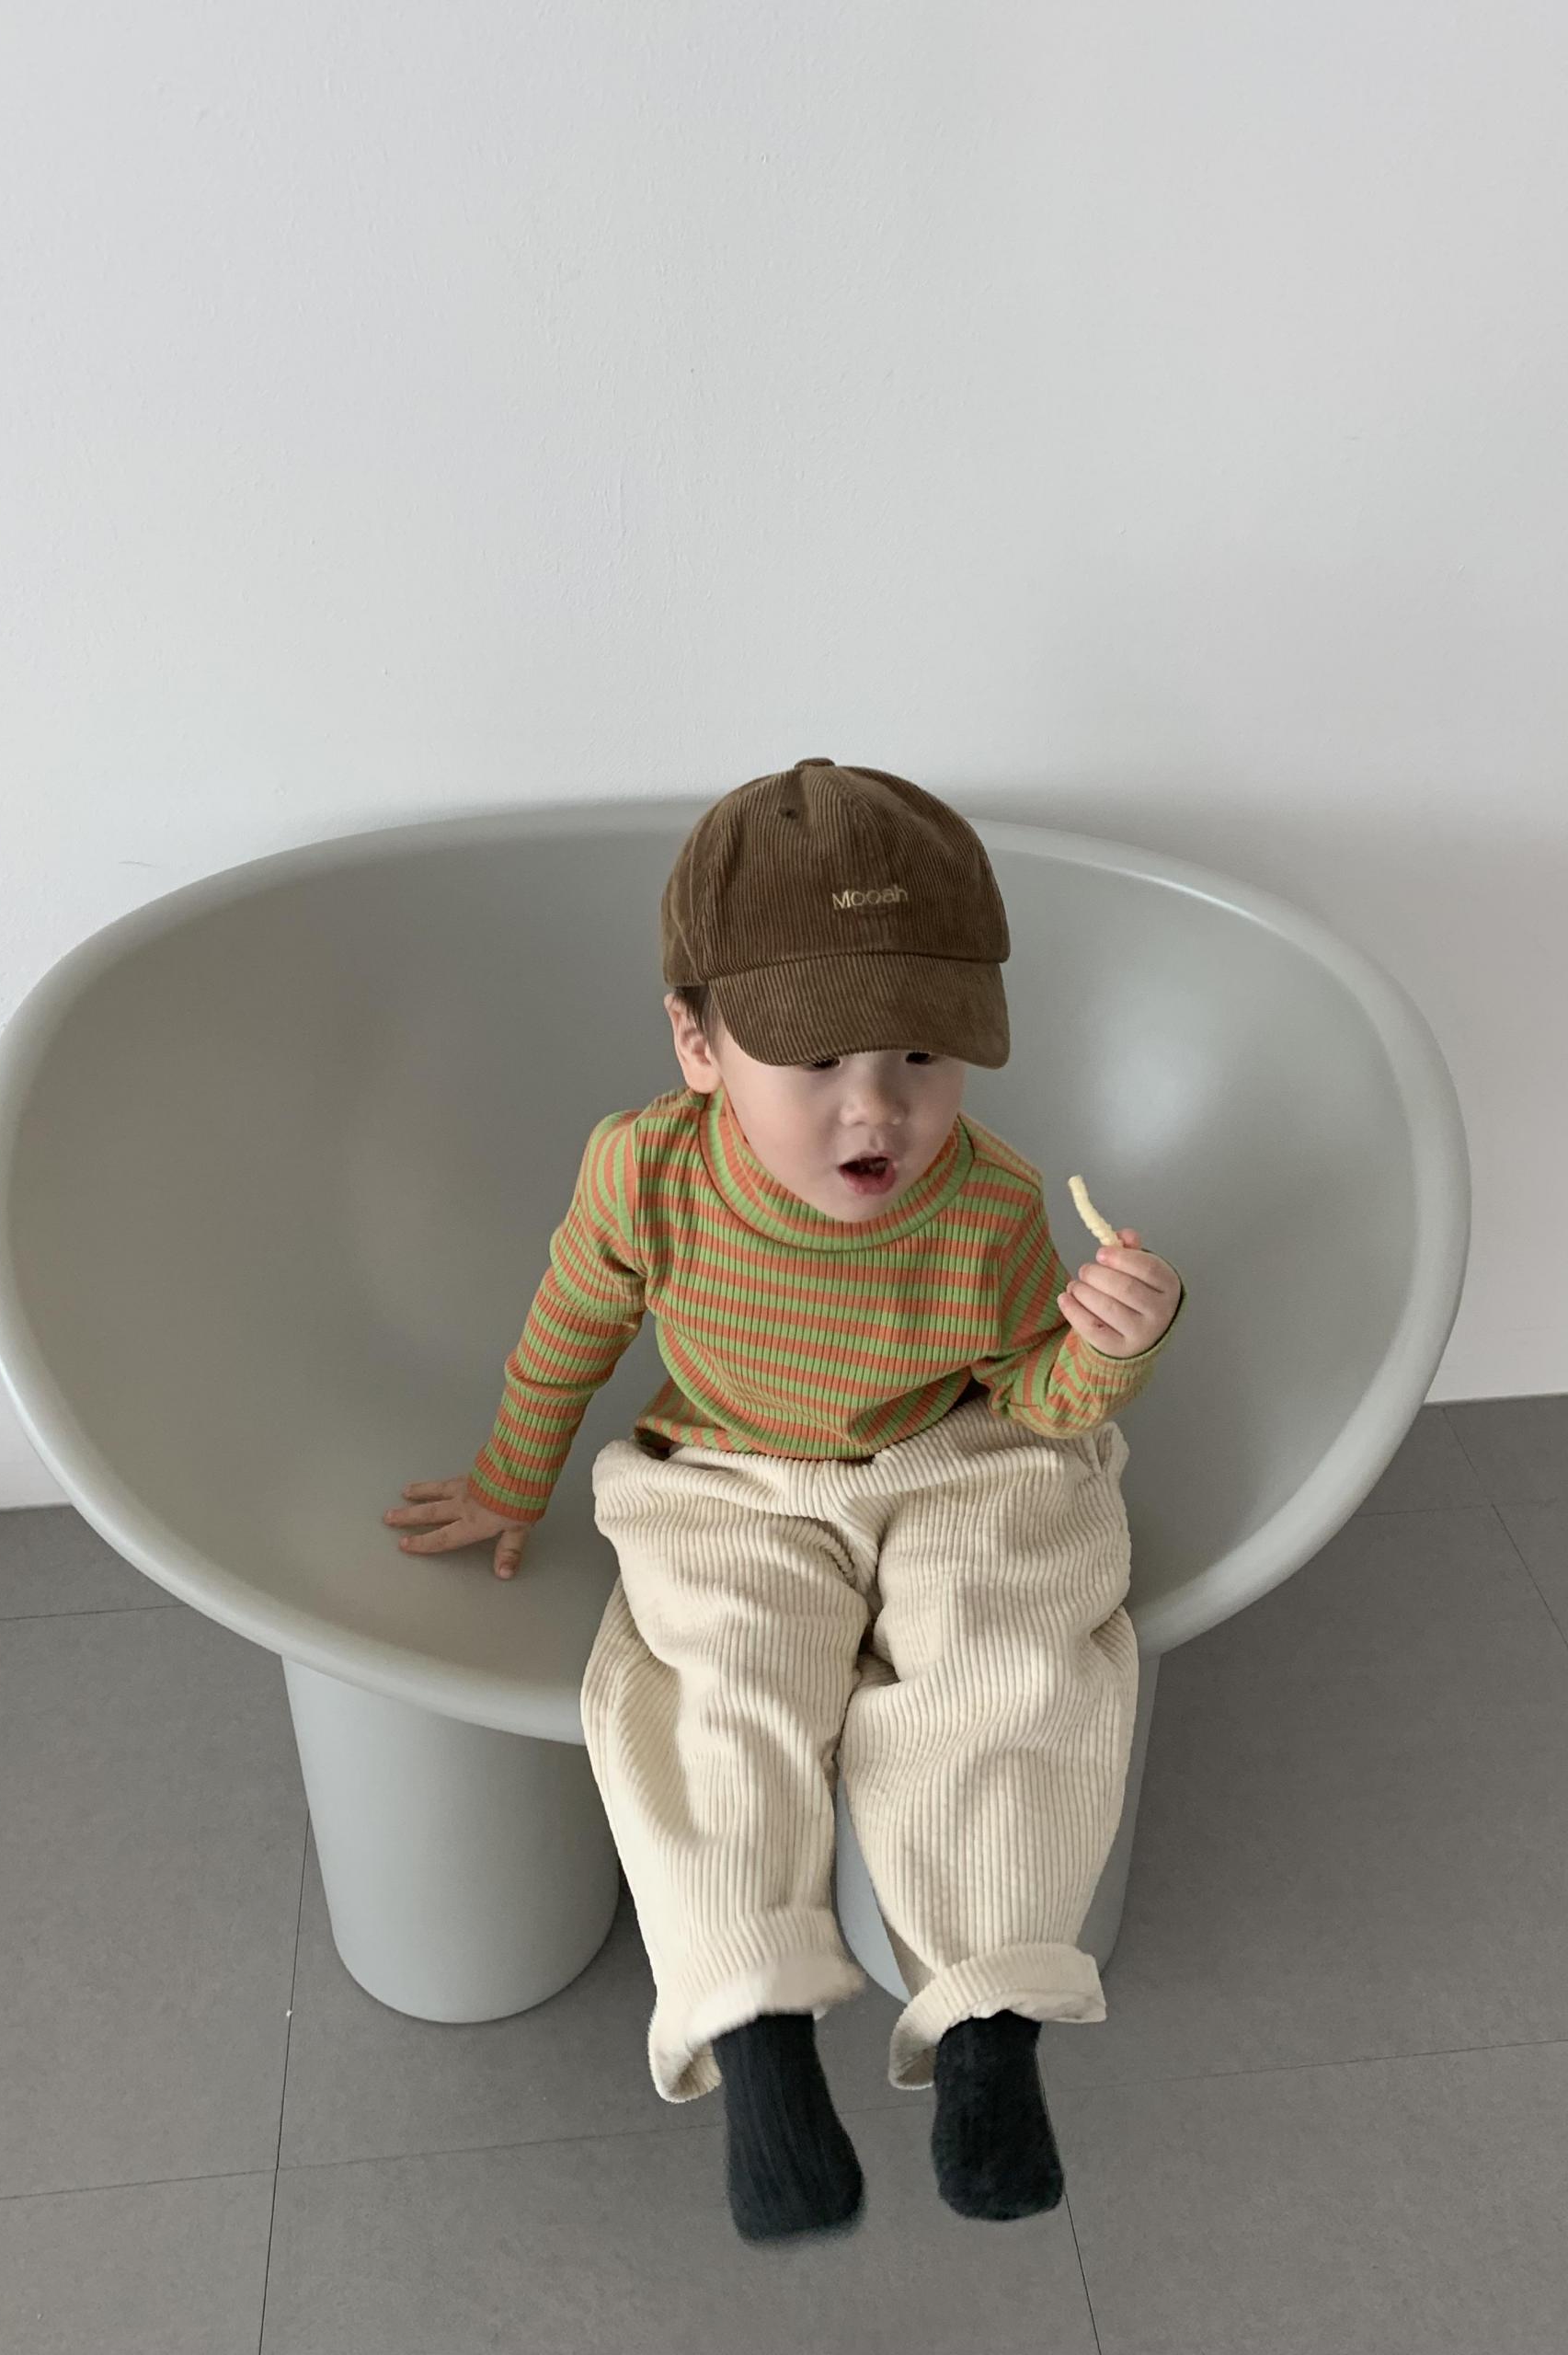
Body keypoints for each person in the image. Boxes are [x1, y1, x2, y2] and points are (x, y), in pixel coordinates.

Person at [382, 758, 1186, 2246]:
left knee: (1010, 1656)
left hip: (951, 1455)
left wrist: (1109, 1348)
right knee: (721, 1691)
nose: (876, 1108)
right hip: (732, 1472)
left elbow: (1035, 1396)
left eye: (922, 1055)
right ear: (699, 1044)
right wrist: (511, 1477)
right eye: (813, 1061)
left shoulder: (991, 1204)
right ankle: (756, 2033)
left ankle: (991, 2023)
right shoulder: (647, 1175)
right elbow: (572, 1328)